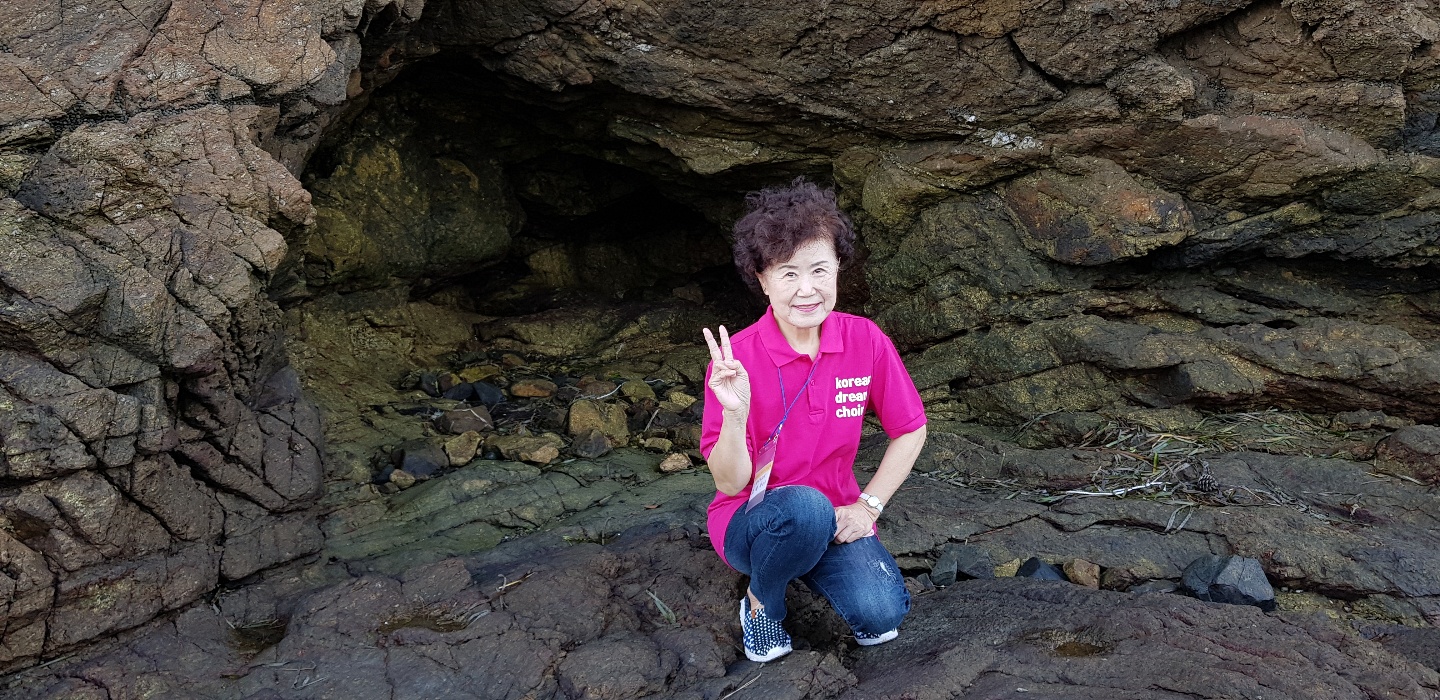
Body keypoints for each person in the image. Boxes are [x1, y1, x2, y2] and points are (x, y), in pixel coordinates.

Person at [700, 177, 928, 663]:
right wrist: (735, 414)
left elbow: (910, 428)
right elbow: (730, 482)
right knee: (805, 509)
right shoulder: (736, 359)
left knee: (881, 617)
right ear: (762, 279)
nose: (807, 290)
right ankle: (763, 600)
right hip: (752, 522)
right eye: (788, 274)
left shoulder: (865, 339)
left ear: (838, 268)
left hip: (837, 517)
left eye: (820, 270)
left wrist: (868, 507)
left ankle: (800, 560)